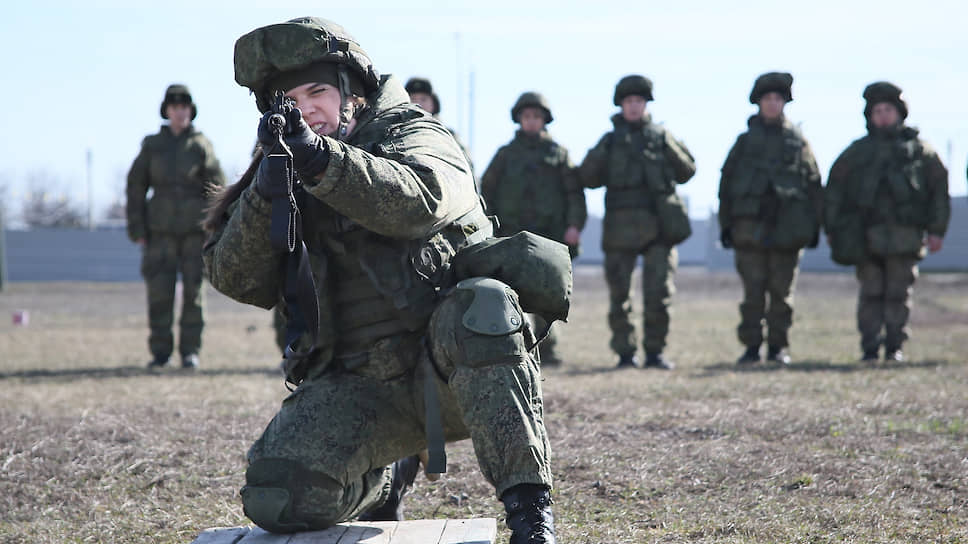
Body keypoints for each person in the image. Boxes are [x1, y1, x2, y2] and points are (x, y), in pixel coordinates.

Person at [203, 17, 564, 542]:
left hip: (456, 367)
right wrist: (266, 188)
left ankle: (530, 513)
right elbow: (235, 278)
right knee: (276, 494)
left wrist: (321, 161)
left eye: (318, 91)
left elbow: (418, 202)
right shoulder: (281, 167)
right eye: (289, 99)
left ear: (352, 93)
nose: (306, 109)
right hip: (360, 385)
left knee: (484, 305)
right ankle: (388, 480)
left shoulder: (416, 132)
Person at [825, 81, 950, 362]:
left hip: (906, 235)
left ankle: (895, 347)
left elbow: (938, 194)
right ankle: (870, 348)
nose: (882, 115)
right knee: (871, 292)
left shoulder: (921, 153)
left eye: (888, 109)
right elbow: (834, 191)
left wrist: (937, 230)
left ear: (899, 113)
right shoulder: (856, 153)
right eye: (877, 110)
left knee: (898, 293)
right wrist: (832, 228)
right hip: (865, 237)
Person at [579, 75, 696, 370]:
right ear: (621, 106)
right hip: (620, 229)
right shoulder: (610, 141)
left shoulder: (660, 136)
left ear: (646, 105)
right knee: (620, 297)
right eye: (629, 102)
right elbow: (587, 178)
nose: (634, 107)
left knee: (659, 294)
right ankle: (625, 354)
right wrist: (604, 150)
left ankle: (655, 353)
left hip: (659, 230)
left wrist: (667, 144)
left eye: (639, 102)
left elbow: (688, 170)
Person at [718, 72, 823, 366]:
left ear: (785, 103)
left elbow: (814, 185)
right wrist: (726, 225)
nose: (773, 104)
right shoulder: (744, 143)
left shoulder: (798, 143)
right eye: (767, 99)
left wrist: (814, 225)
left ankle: (778, 348)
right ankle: (751, 348)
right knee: (752, 295)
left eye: (778, 99)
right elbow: (725, 188)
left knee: (781, 295)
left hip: (787, 233)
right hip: (748, 232)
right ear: (758, 103)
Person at [480, 91, 586, 367]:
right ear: (519, 119)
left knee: (548, 294)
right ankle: (519, 347)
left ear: (544, 120)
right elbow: (486, 191)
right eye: (527, 116)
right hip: (512, 237)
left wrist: (574, 225)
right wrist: (488, 226)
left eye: (536, 117)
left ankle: (548, 348)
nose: (531, 121)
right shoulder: (505, 155)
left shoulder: (558, 154)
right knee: (513, 294)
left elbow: (574, 193)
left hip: (549, 238)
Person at [126, 84, 226, 369]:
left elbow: (217, 188)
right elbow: (135, 187)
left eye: (184, 108)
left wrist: (215, 226)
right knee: (159, 294)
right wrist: (138, 228)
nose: (179, 113)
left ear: (190, 111)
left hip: (195, 233)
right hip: (159, 234)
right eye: (174, 108)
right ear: (167, 111)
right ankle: (160, 353)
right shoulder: (152, 145)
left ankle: (190, 352)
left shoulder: (201, 145)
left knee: (194, 295)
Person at [405, 77, 475, 177]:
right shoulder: (395, 132)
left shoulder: (448, 135)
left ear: (433, 104)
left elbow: (467, 167)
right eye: (413, 99)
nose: (418, 104)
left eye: (423, 99)